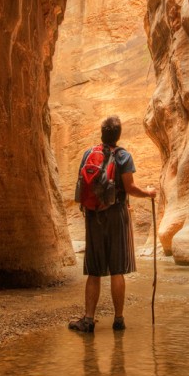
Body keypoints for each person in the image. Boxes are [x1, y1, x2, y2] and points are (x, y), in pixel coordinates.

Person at [69, 115, 157, 333]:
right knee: (117, 269)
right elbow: (130, 188)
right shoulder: (123, 156)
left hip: (93, 215)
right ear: (118, 135)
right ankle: (118, 320)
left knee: (94, 270)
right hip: (117, 214)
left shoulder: (89, 154)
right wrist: (149, 193)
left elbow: (82, 185)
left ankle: (88, 320)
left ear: (102, 133)